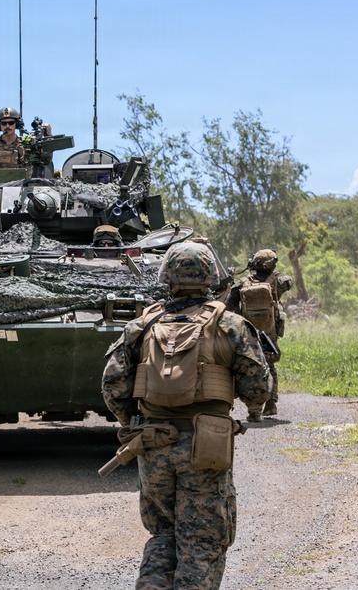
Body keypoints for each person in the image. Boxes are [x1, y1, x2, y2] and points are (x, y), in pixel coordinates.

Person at [102, 241, 270, 590]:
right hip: (206, 446)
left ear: (167, 279)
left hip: (151, 443)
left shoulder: (142, 325)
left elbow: (113, 384)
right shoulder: (231, 324)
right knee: (202, 541)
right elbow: (258, 388)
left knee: (163, 533)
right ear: (210, 278)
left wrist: (133, 422)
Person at [225, 249, 293, 420]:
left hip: (247, 332)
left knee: (249, 366)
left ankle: (253, 411)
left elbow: (229, 306)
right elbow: (289, 282)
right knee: (269, 365)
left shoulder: (242, 283)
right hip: (269, 332)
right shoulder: (277, 280)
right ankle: (271, 404)